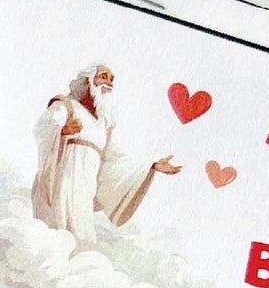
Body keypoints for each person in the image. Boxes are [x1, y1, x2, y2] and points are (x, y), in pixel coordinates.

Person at [33, 63, 179, 251]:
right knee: (60, 228)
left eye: (111, 79)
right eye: (103, 76)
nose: (108, 82)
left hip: (85, 185)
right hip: (64, 177)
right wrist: (63, 131)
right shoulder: (66, 105)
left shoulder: (102, 124)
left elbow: (115, 158)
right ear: (87, 81)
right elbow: (43, 129)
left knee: (82, 234)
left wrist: (151, 166)